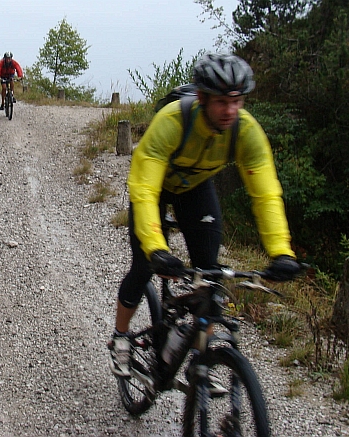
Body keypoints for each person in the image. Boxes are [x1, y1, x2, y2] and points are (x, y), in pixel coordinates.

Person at [108, 53, 302, 377]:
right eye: (221, 102)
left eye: (237, 101)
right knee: (143, 266)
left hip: (195, 189)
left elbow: (266, 193)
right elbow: (143, 189)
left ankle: (199, 356)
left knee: (210, 274)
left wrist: (281, 251)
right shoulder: (173, 121)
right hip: (155, 190)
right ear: (202, 98)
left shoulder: (245, 130)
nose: (230, 111)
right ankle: (121, 338)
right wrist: (157, 248)